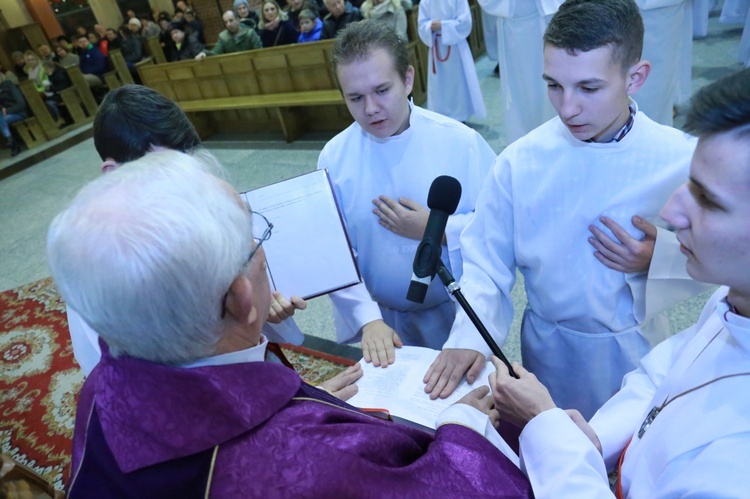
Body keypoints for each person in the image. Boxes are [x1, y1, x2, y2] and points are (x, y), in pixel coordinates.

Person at [54, 151, 532, 497]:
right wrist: (465, 430)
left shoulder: (102, 389)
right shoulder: (315, 460)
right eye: (254, 236)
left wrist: (302, 406)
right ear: (243, 299)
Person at [425, 0, 702, 420]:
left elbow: (732, 256)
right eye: (554, 85)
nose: (567, 108)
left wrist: (658, 259)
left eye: (588, 88)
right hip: (549, 352)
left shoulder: (679, 158)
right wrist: (469, 337)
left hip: (636, 354)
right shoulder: (522, 161)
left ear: (636, 77)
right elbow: (485, 262)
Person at [490, 67, 750, 497]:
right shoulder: (736, 298)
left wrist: (546, 429)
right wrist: (593, 437)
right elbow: (669, 375)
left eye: (707, 200)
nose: (669, 212)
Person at [66, 85, 306, 376]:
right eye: (166, 171)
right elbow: (120, 379)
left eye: (189, 166)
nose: (187, 185)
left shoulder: (207, 202)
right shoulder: (100, 269)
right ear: (115, 173)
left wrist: (264, 308)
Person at [318, 20, 496, 366]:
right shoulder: (334, 157)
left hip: (455, 314)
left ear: (409, 79)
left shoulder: (460, 142)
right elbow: (334, 251)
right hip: (380, 324)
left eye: (382, 90)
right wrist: (367, 319)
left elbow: (499, 229)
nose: (370, 109)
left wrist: (439, 231)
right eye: (355, 97)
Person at [477, 0, 561, 143]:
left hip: (543, 20)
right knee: (518, 90)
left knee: (547, 81)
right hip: (512, 27)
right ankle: (522, 137)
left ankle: (553, 136)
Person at [417, 0, 486, 122]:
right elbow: (422, 24)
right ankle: (441, 116)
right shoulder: (425, 1)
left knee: (457, 82)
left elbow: (465, 22)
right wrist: (429, 26)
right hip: (436, 46)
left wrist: (443, 26)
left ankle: (461, 115)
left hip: (456, 48)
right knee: (440, 84)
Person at [195, 11, 262, 60]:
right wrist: (205, 53)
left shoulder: (250, 33)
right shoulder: (223, 37)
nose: (228, 24)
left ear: (238, 20)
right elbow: (215, 53)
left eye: (231, 20)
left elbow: (260, 52)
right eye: (226, 22)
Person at [0, 73, 27, 156]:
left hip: (19, 113)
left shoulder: (10, 86)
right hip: (4, 115)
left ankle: (11, 142)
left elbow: (21, 104)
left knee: (1, 120)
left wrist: (7, 110)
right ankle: (11, 140)